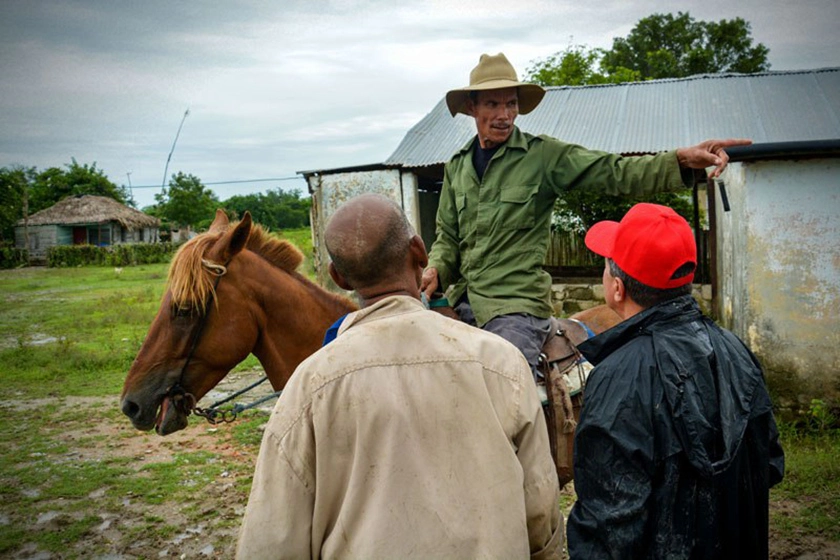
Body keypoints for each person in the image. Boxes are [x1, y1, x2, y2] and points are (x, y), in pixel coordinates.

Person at [236, 193, 564, 559]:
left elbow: (271, 541)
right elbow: (539, 508)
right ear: (420, 253)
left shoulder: (309, 383)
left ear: (338, 277)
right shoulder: (501, 362)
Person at [420, 52, 752, 376]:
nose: (505, 114)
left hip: (514, 308)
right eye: (493, 104)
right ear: (471, 107)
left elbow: (614, 171)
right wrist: (436, 268)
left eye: (511, 103)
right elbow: (447, 237)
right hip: (462, 300)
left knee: (502, 389)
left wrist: (679, 160)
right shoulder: (457, 166)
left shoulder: (542, 156)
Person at [565, 202, 785, 558]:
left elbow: (607, 527)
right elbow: (770, 464)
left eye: (605, 266)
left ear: (618, 288)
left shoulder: (616, 377)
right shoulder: (736, 350)